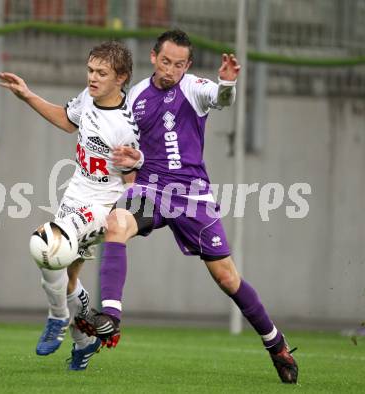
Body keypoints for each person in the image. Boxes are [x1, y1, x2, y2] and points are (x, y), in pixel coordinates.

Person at [75, 30, 298, 384]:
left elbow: (221, 99)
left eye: (179, 64)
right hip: (150, 189)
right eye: (166, 62)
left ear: (188, 65)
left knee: (227, 278)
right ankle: (112, 317)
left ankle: (277, 345)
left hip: (192, 197)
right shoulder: (135, 97)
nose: (171, 70)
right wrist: (132, 161)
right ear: (153, 57)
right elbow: (129, 150)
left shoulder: (194, 88)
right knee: (117, 221)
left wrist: (227, 84)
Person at [0, 41, 141, 371]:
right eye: (90, 70)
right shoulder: (89, 97)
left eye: (101, 73)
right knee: (66, 279)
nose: (92, 78)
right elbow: (66, 120)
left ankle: (58, 318)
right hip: (73, 197)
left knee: (45, 242)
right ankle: (83, 341)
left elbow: (133, 180)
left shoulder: (123, 126)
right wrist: (27, 95)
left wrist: (124, 222)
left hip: (101, 206)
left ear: (120, 77)